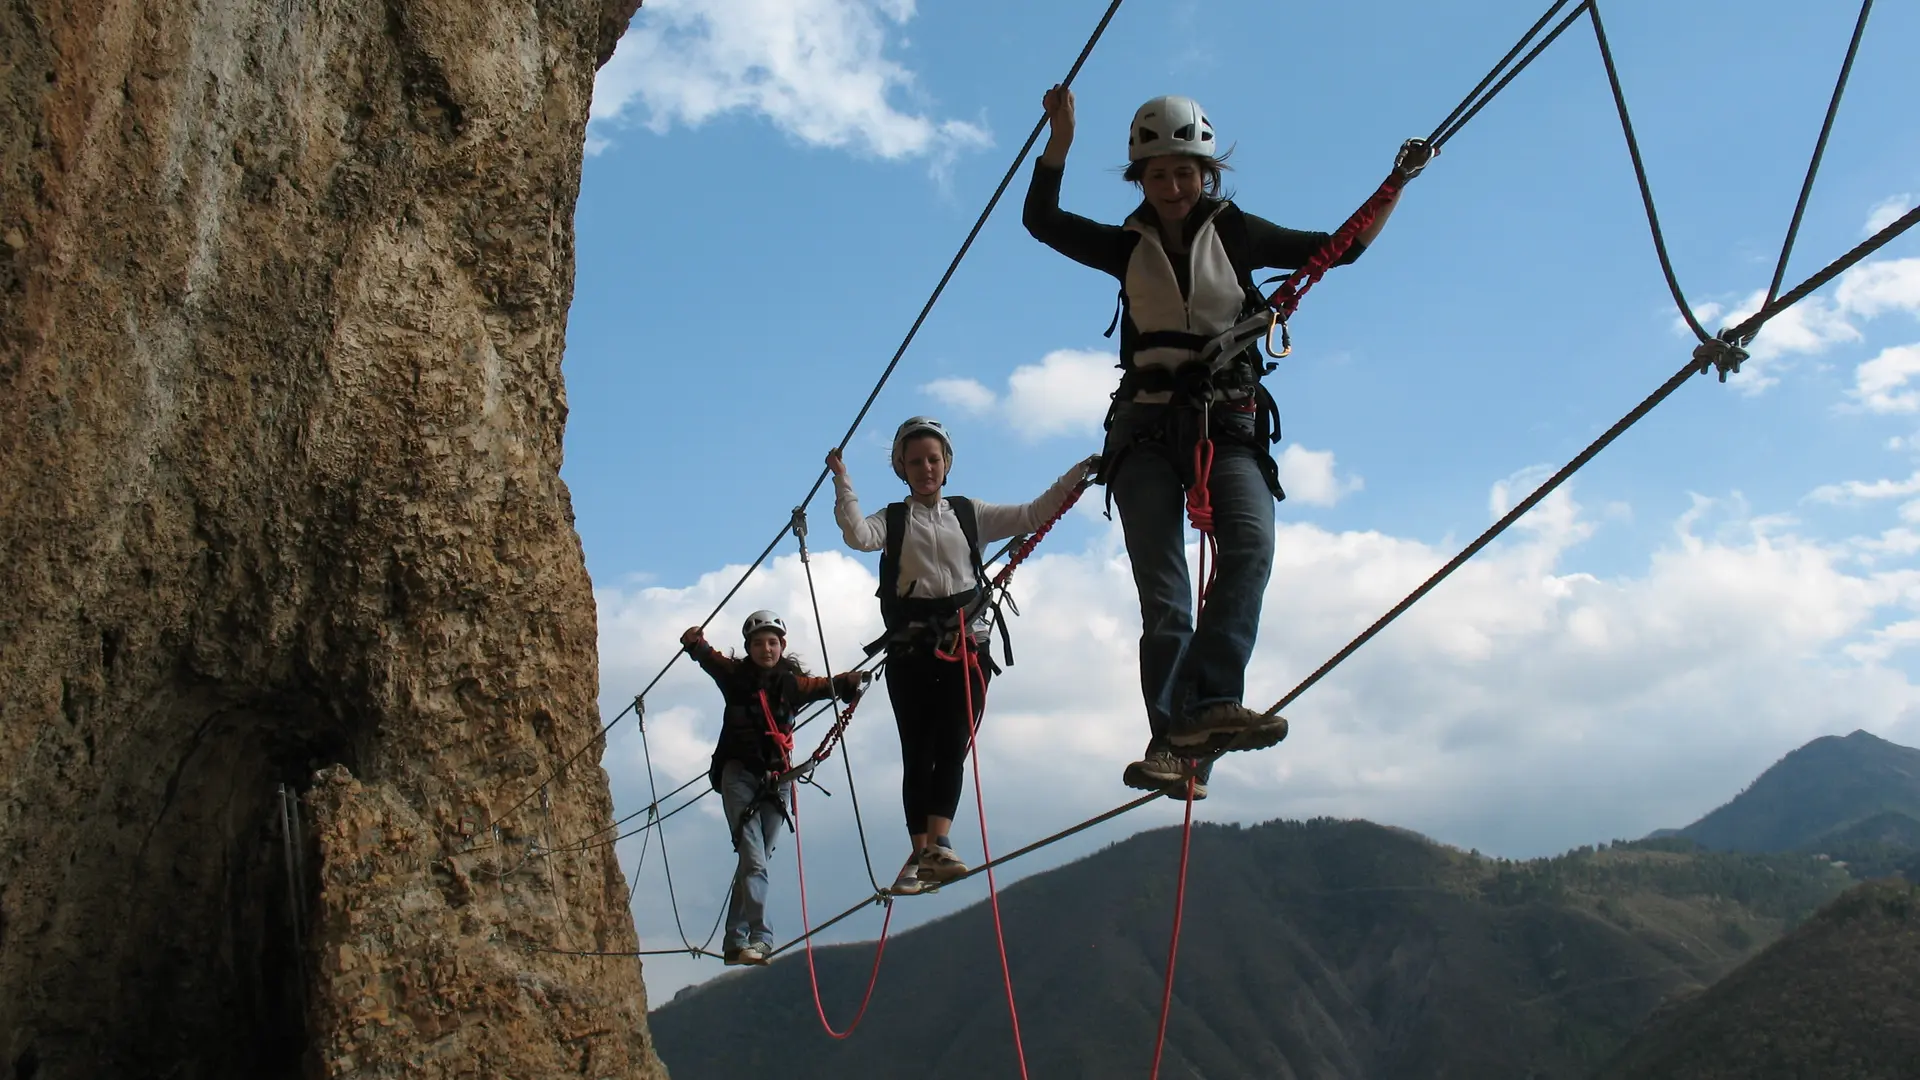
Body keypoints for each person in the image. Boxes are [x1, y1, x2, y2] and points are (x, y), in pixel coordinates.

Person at [1022, 88, 1430, 796]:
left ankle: (1208, 707)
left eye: (1185, 173)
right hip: (1145, 430)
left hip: (1226, 421)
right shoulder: (1124, 247)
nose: (1174, 187)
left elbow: (1341, 249)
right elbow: (1042, 219)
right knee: (1166, 590)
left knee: (1250, 545)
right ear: (1140, 181)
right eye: (1158, 175)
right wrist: (1059, 141)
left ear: (1206, 175)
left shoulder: (1236, 231)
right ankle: (1175, 738)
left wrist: (1394, 185)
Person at [829, 417, 1095, 895]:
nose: (926, 468)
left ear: (946, 464)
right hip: (911, 649)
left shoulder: (970, 513)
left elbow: (1033, 513)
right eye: (915, 462)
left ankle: (939, 842)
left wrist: (1076, 475)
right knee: (919, 749)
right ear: (901, 469)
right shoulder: (891, 521)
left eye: (933, 459)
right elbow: (855, 534)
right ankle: (920, 852)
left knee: (953, 743)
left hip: (964, 644)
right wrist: (842, 482)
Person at [681, 610, 868, 966]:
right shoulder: (735, 676)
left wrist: (851, 681)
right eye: (758, 643)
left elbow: (827, 685)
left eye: (772, 643)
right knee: (754, 860)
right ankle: (761, 938)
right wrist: (695, 643)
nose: (766, 649)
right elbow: (707, 655)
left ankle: (734, 941)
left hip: (777, 781)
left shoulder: (791, 684)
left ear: (782, 646)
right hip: (737, 775)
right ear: (749, 647)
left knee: (756, 861)